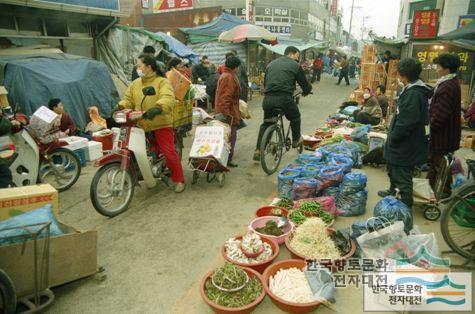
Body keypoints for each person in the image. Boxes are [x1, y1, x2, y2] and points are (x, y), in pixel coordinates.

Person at [118, 54, 185, 193]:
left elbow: (168, 97)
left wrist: (158, 108)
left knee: (168, 152)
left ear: (148, 66)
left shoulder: (162, 82)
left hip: (160, 122)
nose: (138, 68)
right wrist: (120, 106)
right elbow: (128, 99)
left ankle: (179, 179)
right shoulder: (135, 83)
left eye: (139, 65)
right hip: (141, 123)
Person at [379, 58, 433, 210]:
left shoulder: (413, 94)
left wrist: (394, 137)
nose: (399, 78)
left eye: (400, 75)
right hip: (404, 140)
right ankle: (392, 190)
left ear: (404, 76)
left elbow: (406, 122)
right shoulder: (412, 89)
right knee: (393, 167)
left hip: (405, 142)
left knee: (402, 174)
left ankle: (405, 207)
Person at [253, 46, 312, 161]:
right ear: (291, 53)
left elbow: (266, 83)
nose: (297, 58)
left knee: (266, 123)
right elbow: (304, 83)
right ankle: (295, 140)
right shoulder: (295, 65)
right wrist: (307, 91)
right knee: (295, 117)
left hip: (268, 99)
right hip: (284, 98)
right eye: (297, 56)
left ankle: (258, 150)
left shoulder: (271, 64)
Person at [427, 53, 462, 196]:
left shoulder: (447, 86)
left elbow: (441, 113)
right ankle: (442, 191)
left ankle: (432, 193)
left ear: (446, 68)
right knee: (439, 165)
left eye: (438, 66)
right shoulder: (450, 82)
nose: (436, 69)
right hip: (447, 135)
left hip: (443, 136)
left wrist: (429, 128)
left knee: (437, 165)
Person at [214, 56, 241, 168]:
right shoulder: (228, 77)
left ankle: (224, 158)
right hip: (228, 113)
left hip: (228, 111)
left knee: (228, 136)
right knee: (230, 137)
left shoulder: (227, 75)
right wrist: (226, 115)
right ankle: (227, 159)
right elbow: (225, 98)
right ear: (235, 67)